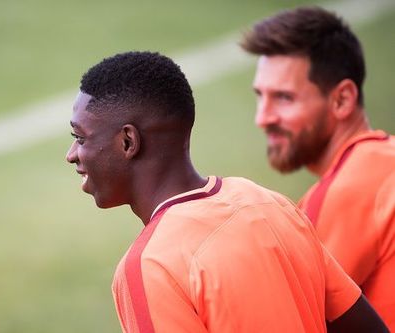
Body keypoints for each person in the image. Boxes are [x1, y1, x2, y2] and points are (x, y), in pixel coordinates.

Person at [65, 51, 388, 332]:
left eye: (81, 138)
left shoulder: (149, 266)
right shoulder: (270, 203)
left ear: (127, 142)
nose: (72, 154)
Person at [241, 6, 395, 330]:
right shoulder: (384, 162)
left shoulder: (350, 187)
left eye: (283, 98)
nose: (263, 118)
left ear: (342, 100)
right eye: (260, 96)